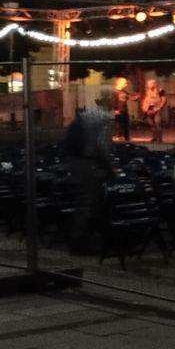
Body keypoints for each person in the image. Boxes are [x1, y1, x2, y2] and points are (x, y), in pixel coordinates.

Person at [67, 93, 116, 252]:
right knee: (91, 202)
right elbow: (102, 145)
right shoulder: (106, 118)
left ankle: (77, 240)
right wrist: (111, 169)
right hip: (90, 164)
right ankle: (85, 242)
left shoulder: (87, 114)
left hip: (77, 162)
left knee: (82, 202)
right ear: (110, 101)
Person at [140, 78, 166, 143]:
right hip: (149, 110)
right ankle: (154, 137)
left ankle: (159, 138)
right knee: (152, 124)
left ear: (154, 84)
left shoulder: (160, 90)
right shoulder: (147, 91)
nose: (148, 85)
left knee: (158, 123)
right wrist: (144, 108)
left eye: (150, 84)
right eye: (148, 84)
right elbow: (145, 100)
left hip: (156, 109)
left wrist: (160, 107)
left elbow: (164, 99)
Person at [113, 77, 135, 141]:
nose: (126, 84)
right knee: (119, 123)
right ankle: (118, 136)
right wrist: (116, 109)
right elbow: (114, 101)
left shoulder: (124, 91)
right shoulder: (115, 91)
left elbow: (130, 97)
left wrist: (135, 97)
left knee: (126, 123)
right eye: (125, 83)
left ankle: (126, 137)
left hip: (125, 109)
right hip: (119, 110)